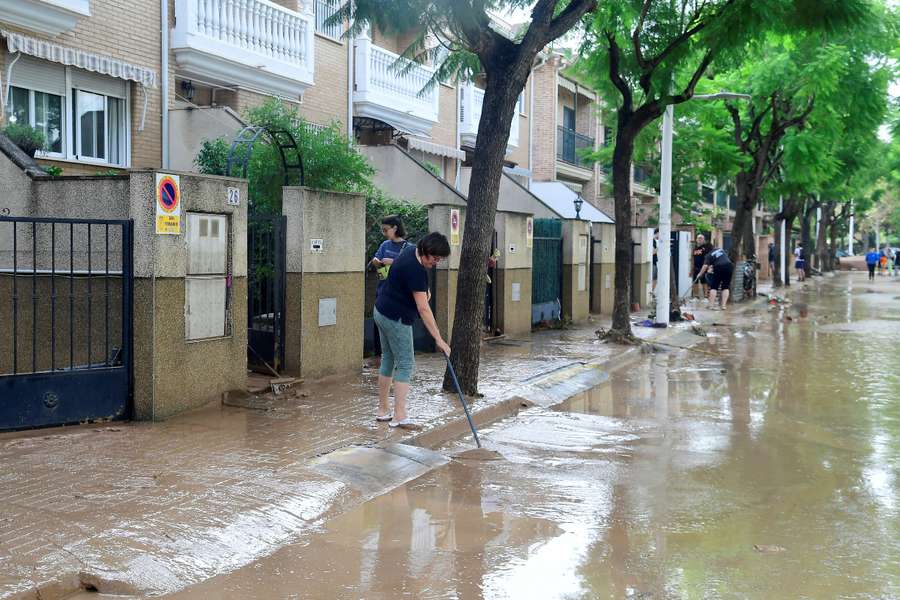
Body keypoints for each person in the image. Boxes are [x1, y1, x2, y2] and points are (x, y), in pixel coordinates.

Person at [374, 232, 451, 428]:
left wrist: (425, 293)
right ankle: (400, 416)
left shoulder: (410, 250)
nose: (436, 263)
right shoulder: (415, 270)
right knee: (406, 363)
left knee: (388, 359)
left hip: (381, 310)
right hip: (396, 318)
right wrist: (439, 339)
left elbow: (416, 290)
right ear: (426, 252)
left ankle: (383, 411)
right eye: (435, 258)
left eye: (440, 259)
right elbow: (424, 309)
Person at [369, 216, 409, 361]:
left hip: (398, 295)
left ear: (395, 228)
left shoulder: (408, 248)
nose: (384, 233)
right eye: (382, 230)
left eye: (386, 230)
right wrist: (376, 262)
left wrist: (393, 262)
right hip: (382, 291)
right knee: (379, 324)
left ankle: (396, 356)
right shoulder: (385, 245)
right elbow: (376, 260)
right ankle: (379, 355)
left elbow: (410, 268)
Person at [692, 233, 713, 298]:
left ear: (704, 240)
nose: (699, 239)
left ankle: (706, 296)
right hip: (696, 267)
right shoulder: (694, 248)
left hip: (704, 267)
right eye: (698, 238)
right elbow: (692, 258)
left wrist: (710, 267)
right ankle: (696, 296)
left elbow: (710, 256)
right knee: (695, 282)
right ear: (696, 239)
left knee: (704, 282)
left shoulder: (706, 247)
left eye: (701, 238)